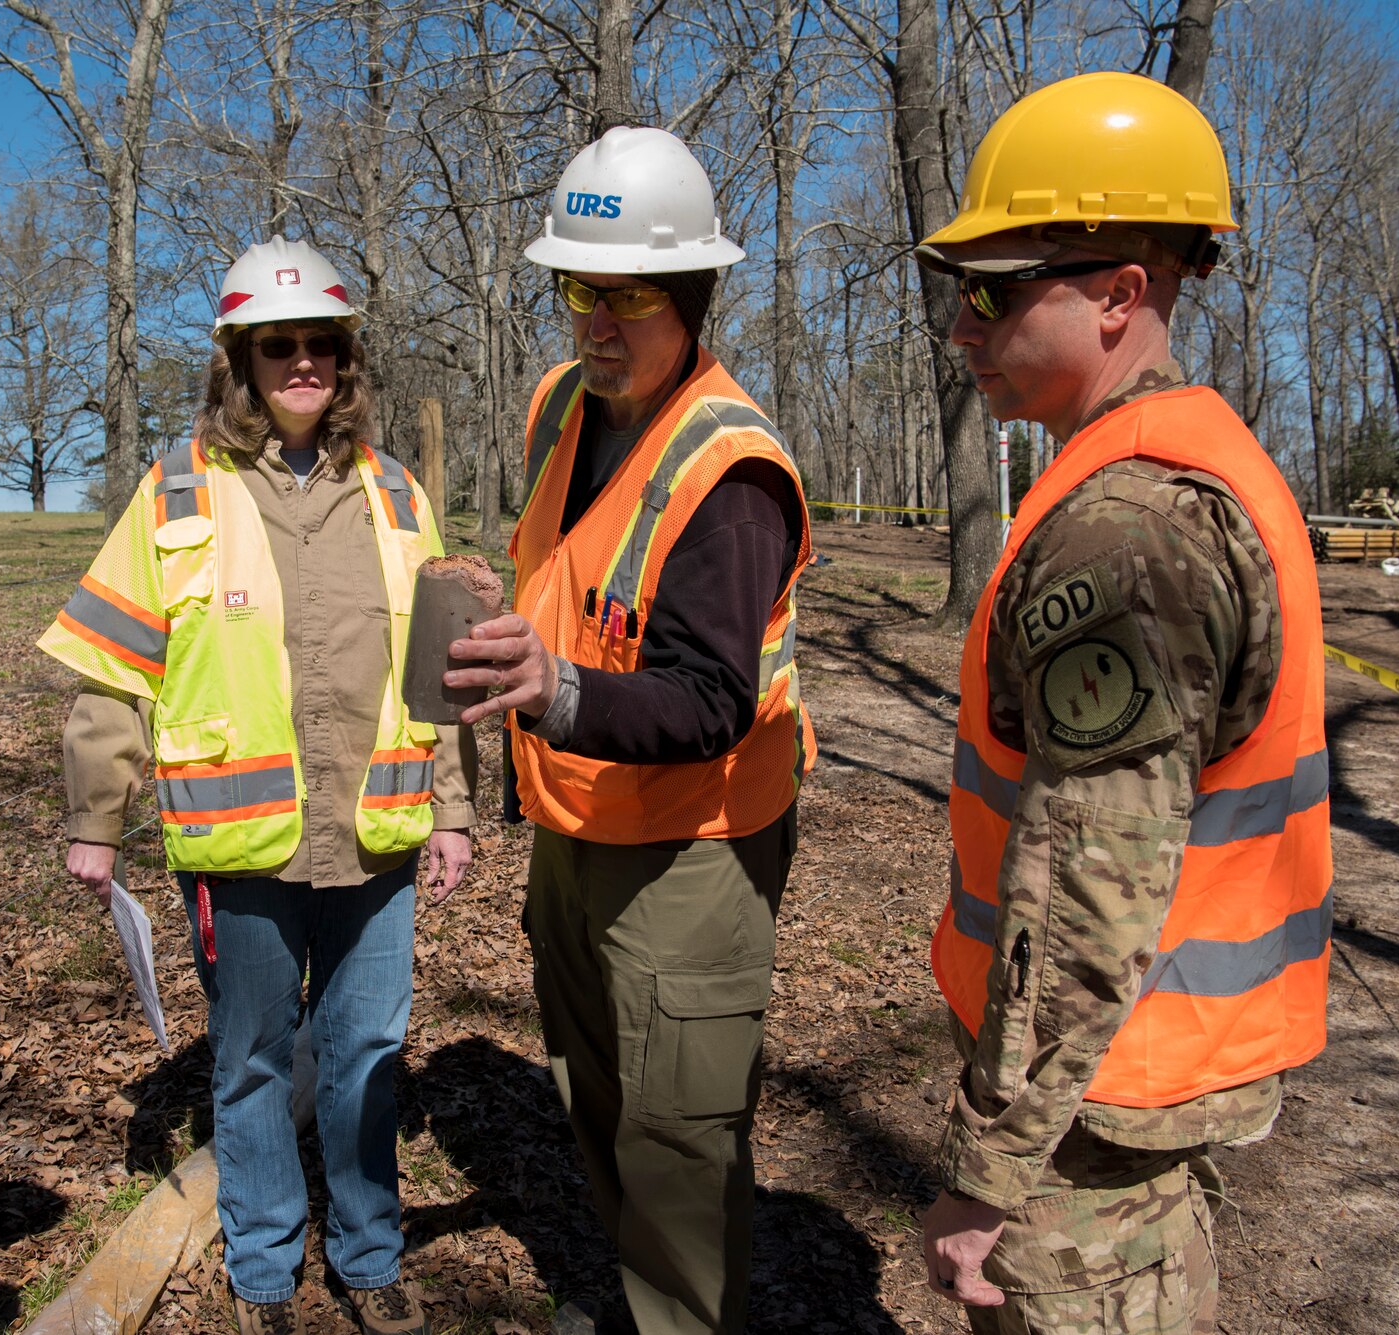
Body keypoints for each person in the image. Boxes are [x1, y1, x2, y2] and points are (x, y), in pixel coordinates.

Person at [910, 72, 1333, 1333]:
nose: (960, 325)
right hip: (1123, 1082)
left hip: (1088, 1111)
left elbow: (1093, 888)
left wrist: (989, 1169)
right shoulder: (1168, 468)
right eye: (954, 291)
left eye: (992, 289)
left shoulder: (1127, 532)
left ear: (1115, 295)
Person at [38, 236, 474, 1335]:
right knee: (250, 1063)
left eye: (321, 343)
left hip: (377, 835)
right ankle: (265, 1272)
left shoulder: (397, 493)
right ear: (238, 358)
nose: (301, 364)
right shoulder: (175, 488)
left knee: (367, 1053)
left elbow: (444, 665)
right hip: (239, 851)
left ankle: (371, 1259)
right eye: (276, 345)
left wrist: (456, 810)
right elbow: (107, 669)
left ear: (346, 357)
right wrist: (96, 819)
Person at [446, 127, 814, 1335]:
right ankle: (632, 1302)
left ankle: (680, 1318)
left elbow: (711, 701)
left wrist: (553, 697)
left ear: (693, 295)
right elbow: (572, 573)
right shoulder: (566, 401)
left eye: (628, 297)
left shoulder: (734, 474)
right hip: (576, 816)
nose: (596, 324)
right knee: (593, 1088)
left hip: (689, 850)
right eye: (577, 291)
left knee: (674, 1134)